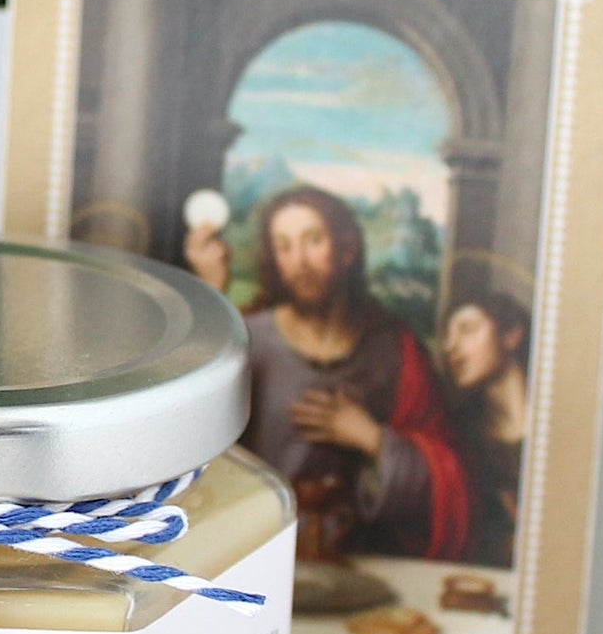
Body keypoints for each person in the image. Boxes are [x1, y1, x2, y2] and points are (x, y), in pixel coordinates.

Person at [185, 186, 469, 560]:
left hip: (365, 565)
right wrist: (211, 295)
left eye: (313, 240)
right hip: (259, 555)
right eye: (284, 247)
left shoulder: (396, 349)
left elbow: (450, 478)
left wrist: (372, 439)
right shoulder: (247, 340)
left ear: (348, 249)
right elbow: (192, 438)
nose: (299, 260)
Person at [442, 295, 529, 569]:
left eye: (467, 330)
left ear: (512, 335)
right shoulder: (461, 432)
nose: (450, 346)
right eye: (447, 336)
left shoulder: (559, 418)